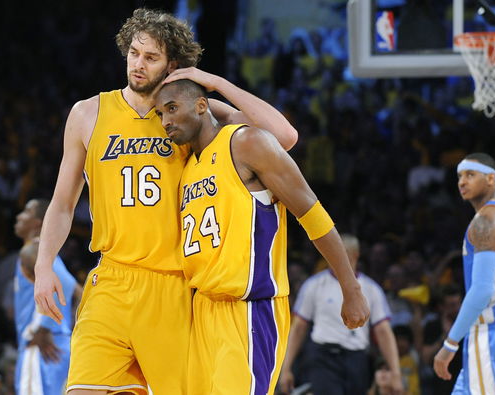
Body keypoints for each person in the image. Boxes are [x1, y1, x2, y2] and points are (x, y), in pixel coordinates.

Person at [33, 8, 297, 394]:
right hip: (111, 280)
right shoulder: (88, 113)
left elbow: (284, 137)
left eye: (151, 57)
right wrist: (44, 265)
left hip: (173, 287)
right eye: (134, 53)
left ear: (173, 65)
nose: (138, 65)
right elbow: (61, 203)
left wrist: (214, 83)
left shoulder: (186, 114)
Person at [154, 79, 370, 394]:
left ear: (202, 105)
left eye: (172, 108)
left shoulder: (246, 142)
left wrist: (350, 288)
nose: (166, 121)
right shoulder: (187, 165)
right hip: (202, 311)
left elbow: (313, 215)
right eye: (160, 113)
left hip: (249, 310)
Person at [433, 153, 495, 394]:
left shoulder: (486, 221)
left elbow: (482, 291)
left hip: (494, 330)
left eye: (470, 175)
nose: (462, 182)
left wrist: (450, 343)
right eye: (459, 176)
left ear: (491, 179)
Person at [278, 234, 403, 395]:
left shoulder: (371, 289)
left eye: (341, 254)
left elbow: (384, 332)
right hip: (322, 357)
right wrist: (286, 368)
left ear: (355, 255)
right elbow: (298, 329)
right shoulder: (314, 285)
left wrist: (396, 373)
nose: (335, 259)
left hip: (356, 358)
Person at [13, 199, 81, 395]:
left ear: (37, 223)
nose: (19, 216)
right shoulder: (48, 255)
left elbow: (66, 285)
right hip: (58, 345)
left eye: (26, 212)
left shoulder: (32, 250)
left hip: (41, 347)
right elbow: (80, 293)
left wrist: (45, 326)